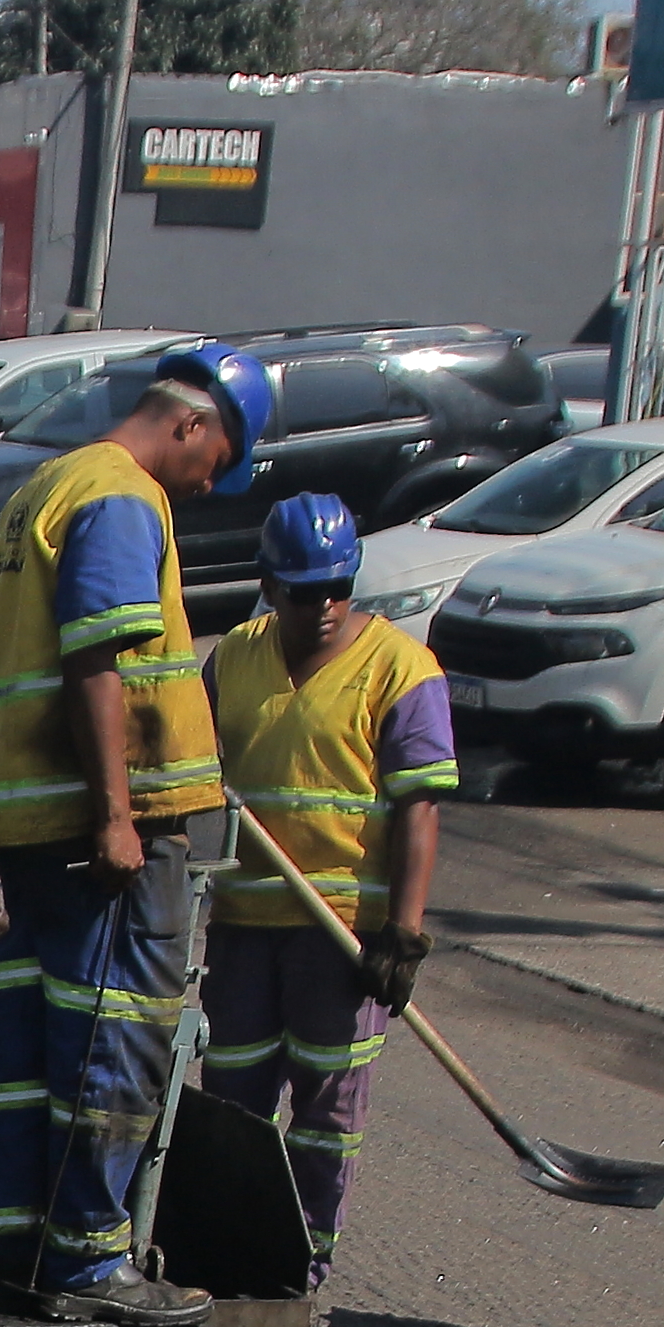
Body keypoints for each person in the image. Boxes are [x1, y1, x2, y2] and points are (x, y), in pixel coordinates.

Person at [0, 339, 273, 1327]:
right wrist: (118, 813)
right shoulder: (123, 496)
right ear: (189, 423)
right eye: (218, 458)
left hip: (31, 818)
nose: (212, 481)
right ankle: (89, 1261)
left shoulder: (43, 486)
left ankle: (4, 1251)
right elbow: (100, 652)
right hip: (99, 832)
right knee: (116, 1032)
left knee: (27, 1039)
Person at [200, 492, 451, 1282]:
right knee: (233, 1098)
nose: (326, 607)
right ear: (270, 587)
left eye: (339, 587)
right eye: (307, 592)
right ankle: (221, 1245)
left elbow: (418, 811)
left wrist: (402, 934)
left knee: (325, 1112)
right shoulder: (235, 658)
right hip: (245, 922)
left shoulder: (402, 671)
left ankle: (300, 1257)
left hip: (341, 938)